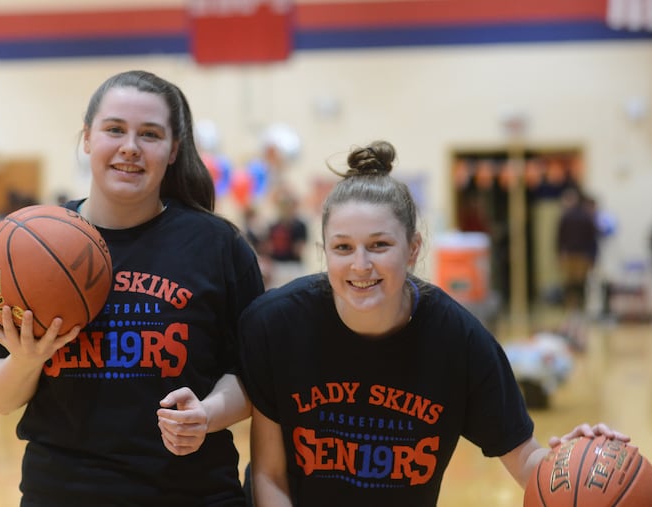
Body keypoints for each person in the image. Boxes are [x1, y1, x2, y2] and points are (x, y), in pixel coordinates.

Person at [238, 140, 628, 506]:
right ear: (325, 251)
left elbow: (525, 460)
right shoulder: (277, 325)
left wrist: (574, 464)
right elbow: (269, 477)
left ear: (413, 249)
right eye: (343, 247)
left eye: (379, 245)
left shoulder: (460, 341)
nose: (360, 264)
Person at [0, 70, 265, 506]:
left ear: (173, 151)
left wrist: (208, 414)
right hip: (63, 493)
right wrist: (26, 360)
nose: (130, 146)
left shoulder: (218, 246)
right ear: (88, 137)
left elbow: (253, 376)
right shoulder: (27, 246)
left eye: (150, 134)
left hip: (192, 493)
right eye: (115, 129)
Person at [556, 187, 598, 313]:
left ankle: (571, 307)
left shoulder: (566, 216)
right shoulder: (587, 217)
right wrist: (593, 256)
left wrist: (560, 253)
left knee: (570, 283)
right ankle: (580, 307)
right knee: (581, 283)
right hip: (583, 255)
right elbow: (592, 239)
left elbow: (559, 238)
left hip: (570, 254)